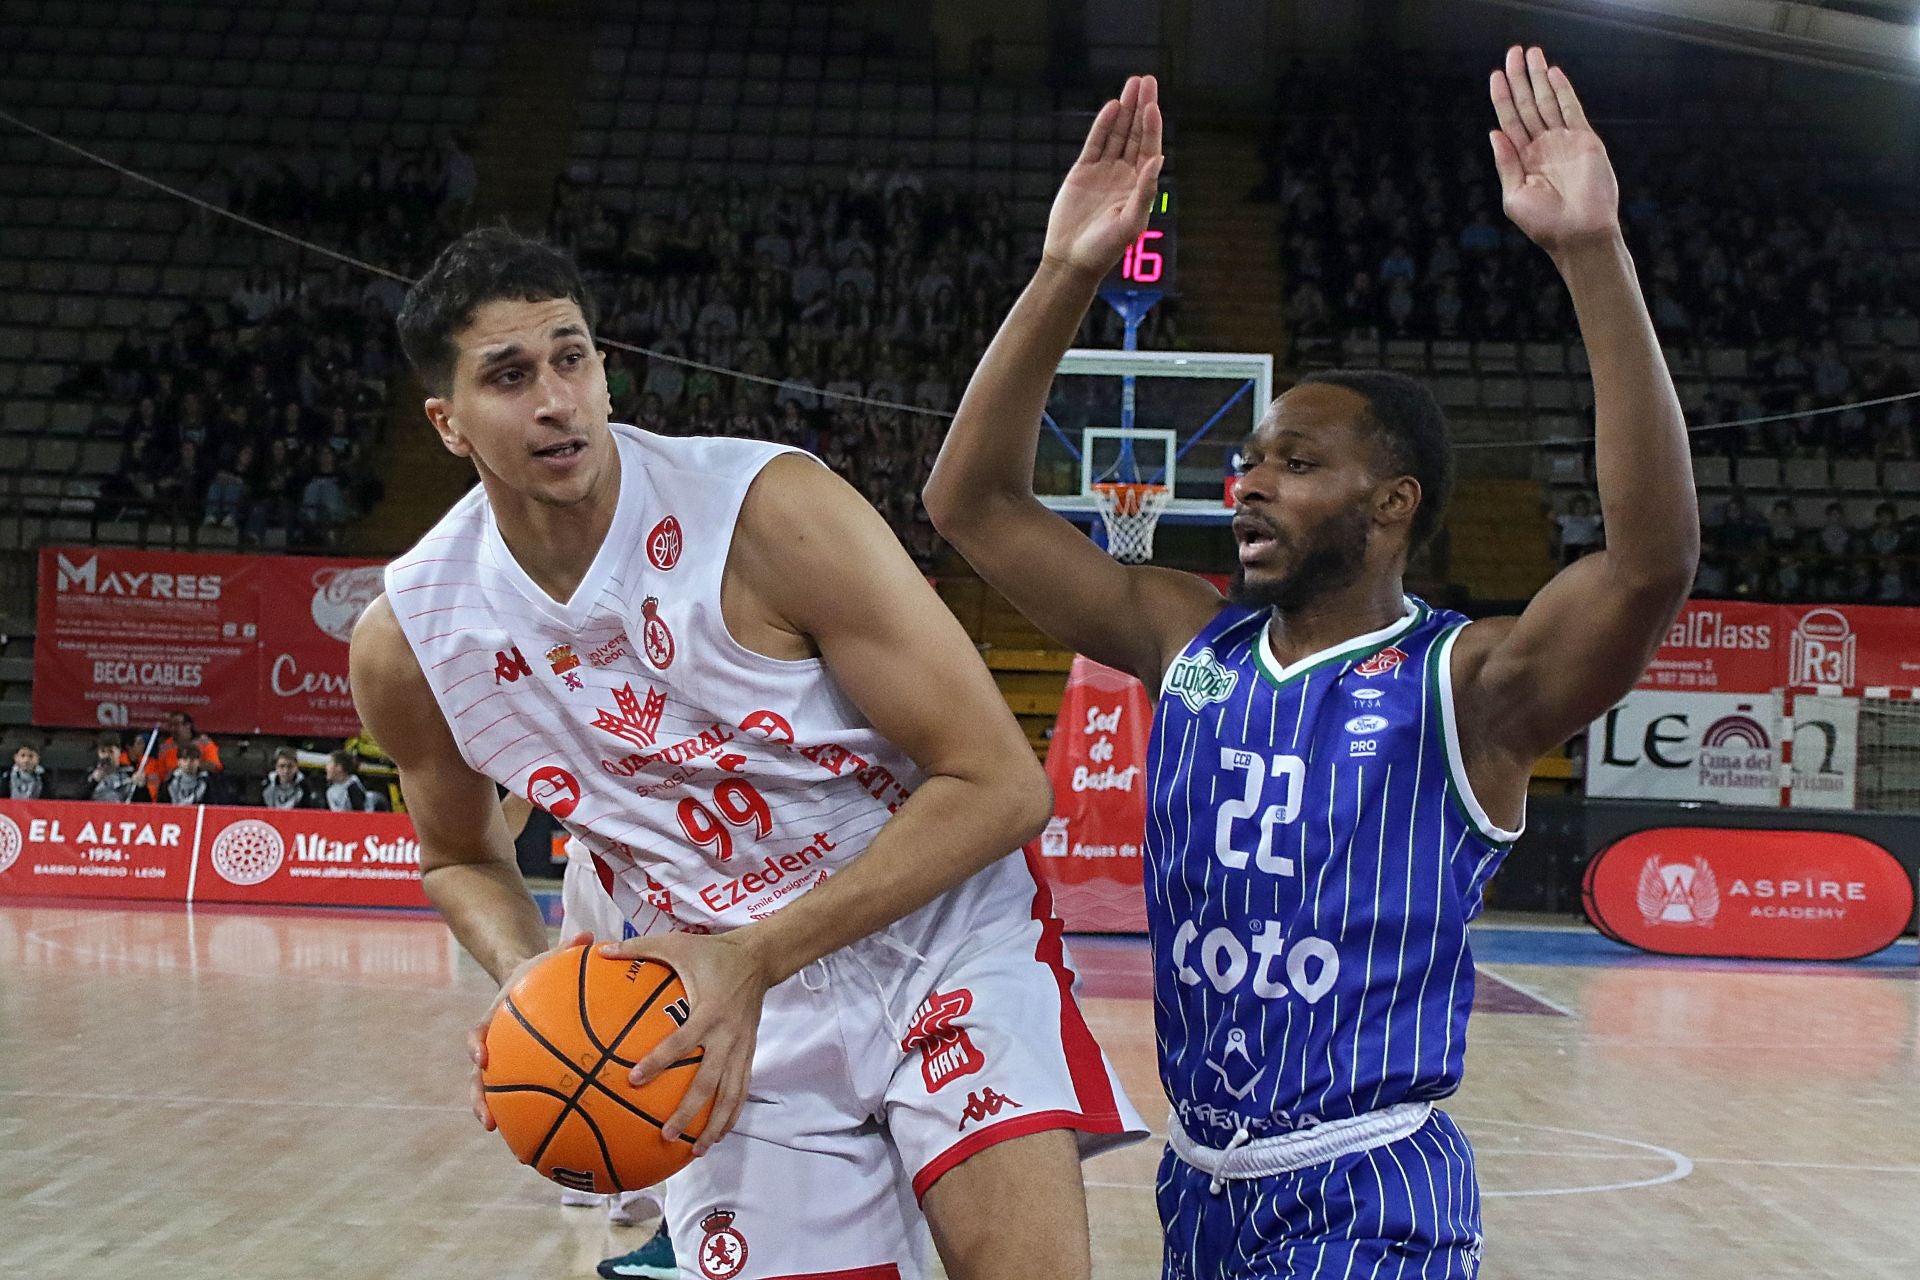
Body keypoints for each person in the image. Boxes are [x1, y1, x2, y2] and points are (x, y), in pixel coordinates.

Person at [924, 57, 1697, 1277]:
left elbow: (1648, 562)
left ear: (1391, 504)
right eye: (1247, 457)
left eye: (1291, 461)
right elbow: (968, 501)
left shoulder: (1471, 684)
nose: (1247, 482)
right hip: (1203, 1180)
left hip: (1370, 1184)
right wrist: (1066, 267)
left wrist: (1593, 253)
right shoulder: (1189, 640)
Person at [349, 228, 1144, 1280]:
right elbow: (459, 855)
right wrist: (530, 978)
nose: (556, 399)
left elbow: (1001, 783)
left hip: (938, 938)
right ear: (446, 424)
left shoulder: (766, 511)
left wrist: (757, 954)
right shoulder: (414, 636)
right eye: (509, 375)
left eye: (571, 356)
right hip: (717, 1001)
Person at [145, 711, 223, 797]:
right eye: (171, 725)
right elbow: (161, 775)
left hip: (201, 789)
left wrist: (193, 766)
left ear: (188, 726)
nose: (173, 729)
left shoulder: (204, 742)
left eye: (177, 725)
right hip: (173, 790)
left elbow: (216, 766)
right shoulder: (166, 746)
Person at [83, 733, 144, 803]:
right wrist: (94, 781)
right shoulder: (90, 774)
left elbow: (145, 803)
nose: (106, 756)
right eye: (103, 751)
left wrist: (141, 787)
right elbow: (77, 800)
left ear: (119, 751)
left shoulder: (130, 773)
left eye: (111, 751)